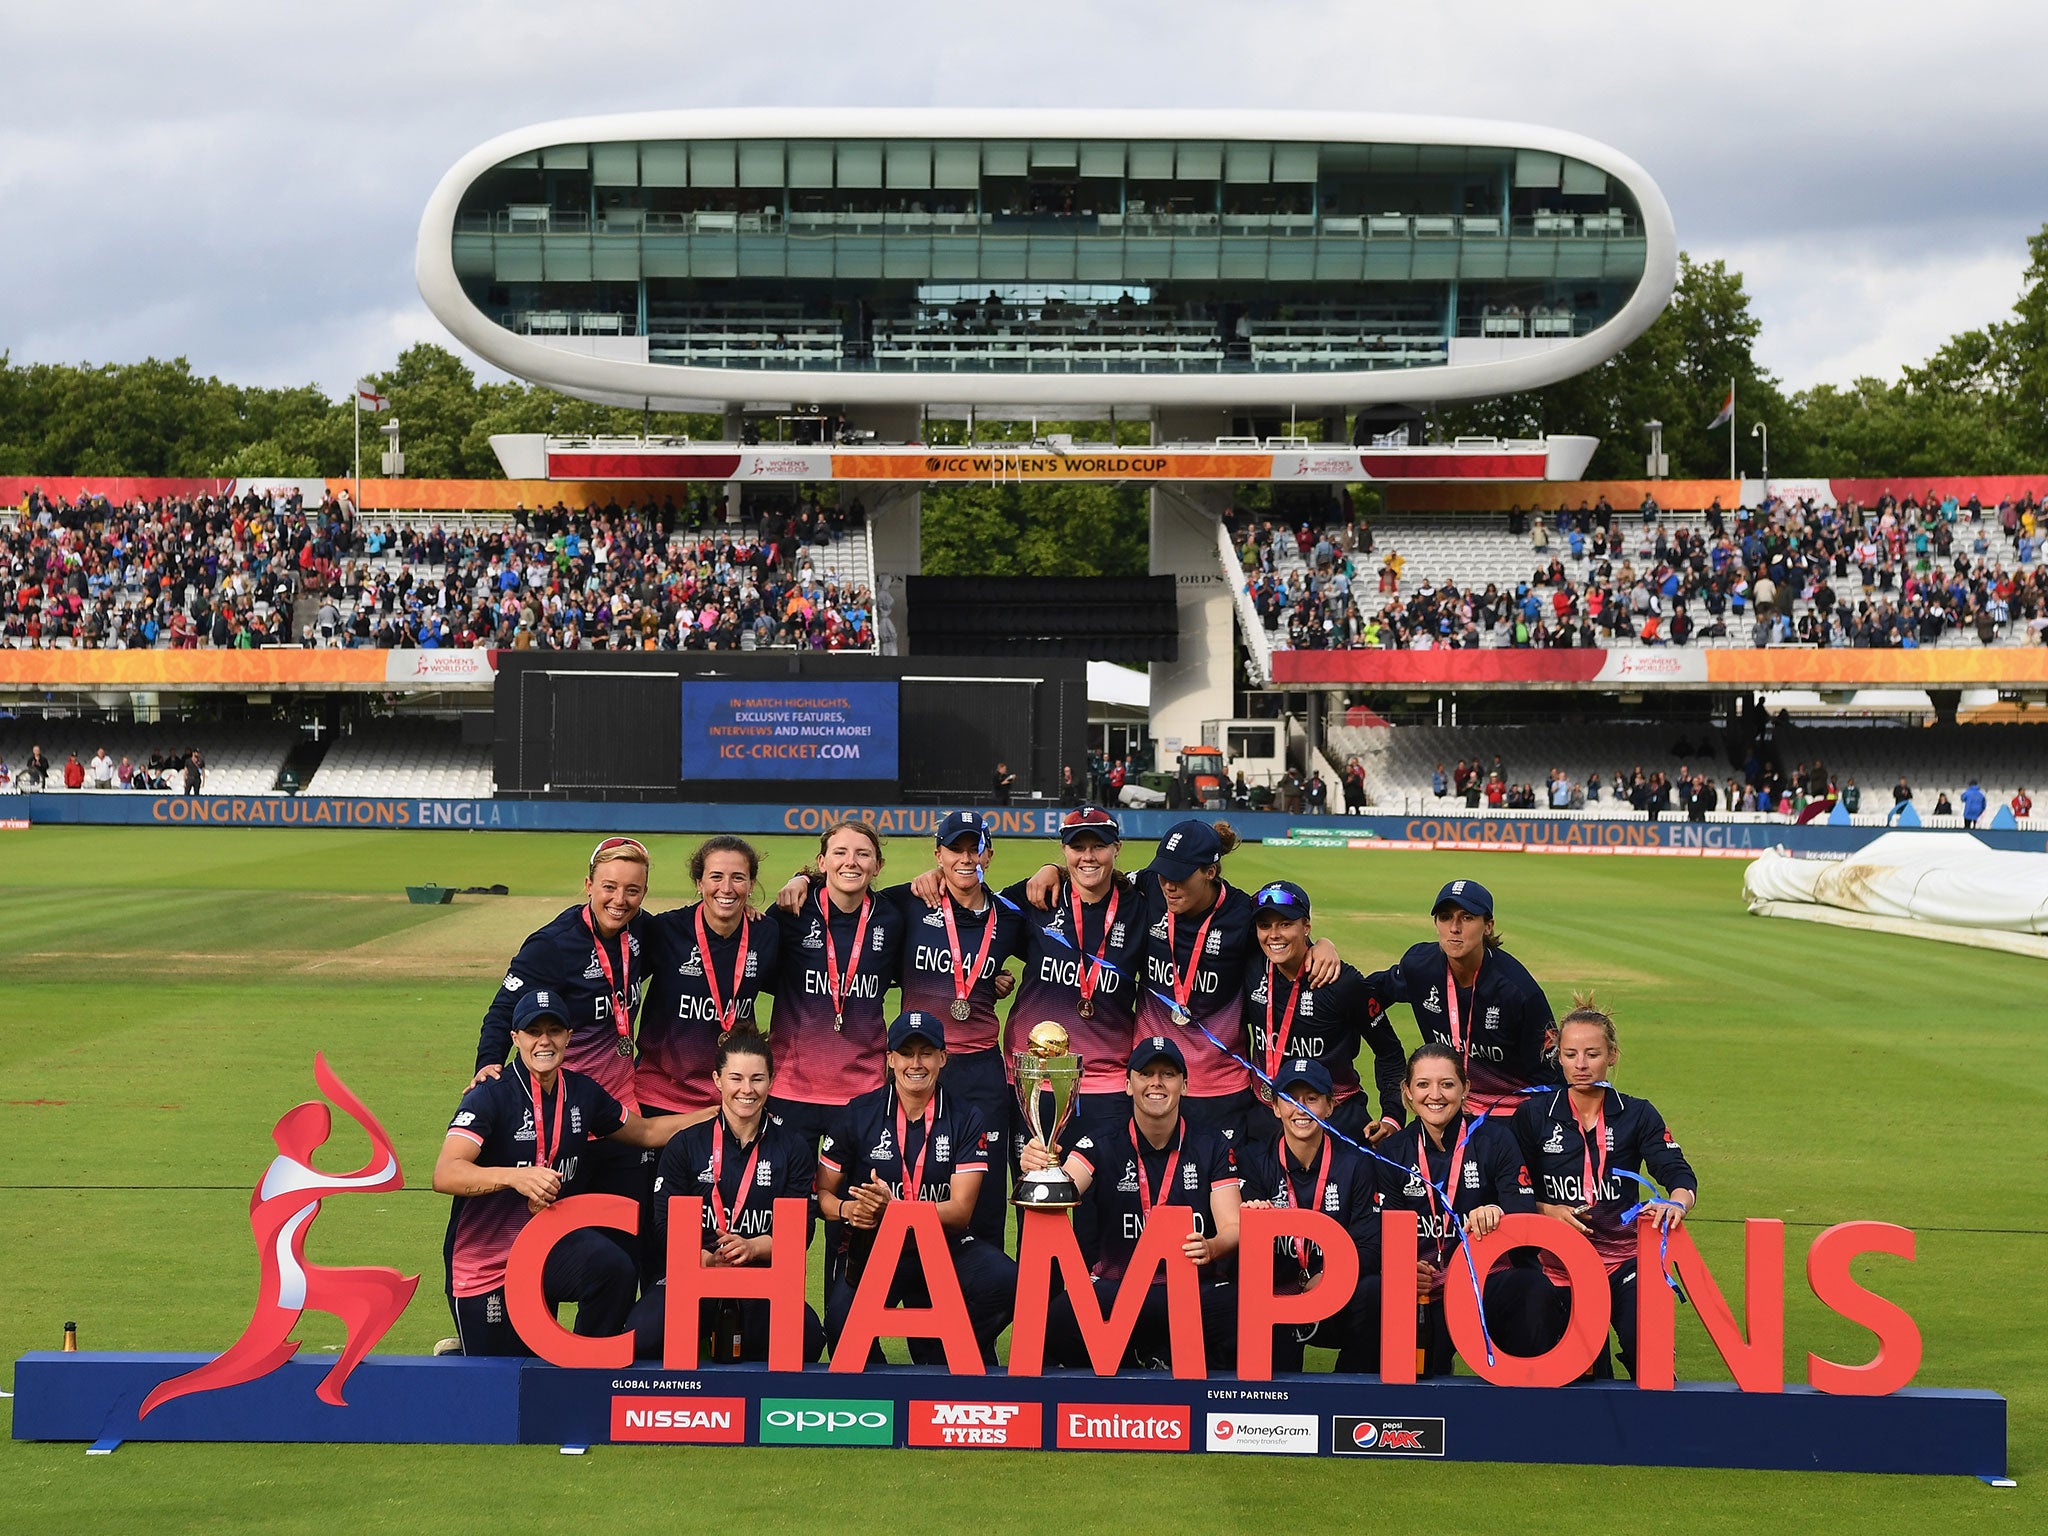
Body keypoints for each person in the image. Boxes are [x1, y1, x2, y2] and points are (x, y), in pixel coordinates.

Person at [1022, 819, 1343, 1147]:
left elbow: (1280, 940)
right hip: (1155, 1083)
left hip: (1221, 1090)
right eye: (1164, 874)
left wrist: (1321, 944)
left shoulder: (1240, 915)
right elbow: (1095, 875)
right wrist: (1053, 869)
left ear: (1210, 872)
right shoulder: (1149, 887)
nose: (1168, 886)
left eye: (1179, 877)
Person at [435, 988, 693, 1356]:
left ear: (569, 1037)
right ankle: (461, 1356)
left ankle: (582, 1365)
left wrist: (722, 1113)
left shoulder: (583, 1092)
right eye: (533, 1031)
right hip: (487, 1263)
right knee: (502, 1378)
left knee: (614, 1268)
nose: (544, 1041)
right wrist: (514, 1177)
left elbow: (648, 1133)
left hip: (546, 1249)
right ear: (515, 1039)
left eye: (554, 1031)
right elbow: (445, 1174)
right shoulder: (490, 1095)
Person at [864, 810, 1029, 1246]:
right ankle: (906, 1283)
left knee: (987, 1191)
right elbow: (851, 895)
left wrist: (995, 981)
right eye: (954, 849)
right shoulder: (909, 901)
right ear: (938, 854)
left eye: (975, 848)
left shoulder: (1009, 917)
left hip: (980, 1069)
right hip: (918, 1066)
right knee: (910, 1173)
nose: (965, 857)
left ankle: (982, 1287)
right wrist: (804, 880)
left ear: (989, 854)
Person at [1025, 1036, 1241, 1370]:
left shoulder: (1210, 1144)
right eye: (1146, 1073)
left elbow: (1233, 1226)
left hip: (1191, 1291)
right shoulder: (1099, 1142)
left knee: (1242, 1312)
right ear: (1128, 1085)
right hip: (1117, 1289)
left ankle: (1186, 1380)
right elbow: (1063, 1190)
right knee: (1055, 1322)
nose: (1156, 1083)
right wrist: (1041, 1170)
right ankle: (1128, 1370)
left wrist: (1212, 1247)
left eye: (1168, 1074)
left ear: (1184, 1085)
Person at [817, 1012, 1016, 1364]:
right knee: (841, 1323)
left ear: (943, 1057)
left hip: (944, 1246)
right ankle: (880, 1395)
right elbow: (821, 1195)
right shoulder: (859, 1114)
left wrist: (891, 1211)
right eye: (906, 1053)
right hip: (877, 1249)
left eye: (926, 1052)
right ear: (889, 1059)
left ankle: (940, 1354)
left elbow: (959, 1212)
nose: (916, 1063)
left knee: (1009, 1283)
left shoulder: (966, 1117)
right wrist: (850, 1210)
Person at [1513, 998, 1696, 1380]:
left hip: (1626, 1260)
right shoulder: (1533, 1115)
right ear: (1557, 1057)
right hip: (1559, 1268)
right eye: (1570, 1054)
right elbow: (1513, 1187)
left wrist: (1677, 1203)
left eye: (1592, 1054)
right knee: (1581, 1377)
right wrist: (1548, 1211)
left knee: (1651, 1358)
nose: (1581, 1065)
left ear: (1611, 1056)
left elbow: (1678, 1174)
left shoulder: (1637, 1113)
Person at [475, 838, 660, 1211]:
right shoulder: (552, 945)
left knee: (626, 1233)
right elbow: (502, 1011)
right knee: (563, 1240)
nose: (619, 900)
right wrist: (487, 1063)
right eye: (609, 887)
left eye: (632, 890)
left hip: (622, 1114)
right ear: (589, 884)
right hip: (565, 1116)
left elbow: (697, 930)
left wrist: (800, 881)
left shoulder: (641, 930)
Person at [630, 1028, 825, 1363]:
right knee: (641, 1336)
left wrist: (750, 1248)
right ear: (717, 1080)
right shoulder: (685, 1144)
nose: (746, 1090)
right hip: (695, 1272)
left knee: (806, 1338)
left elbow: (800, 1232)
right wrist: (705, 1259)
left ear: (771, 1081)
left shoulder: (792, 1148)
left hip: (760, 1279)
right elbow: (662, 1224)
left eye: (757, 1079)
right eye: (736, 1078)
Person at [1376, 1042, 1557, 1376]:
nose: (1435, 1095)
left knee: (1533, 1290)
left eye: (1447, 1084)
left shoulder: (1496, 1140)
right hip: (1426, 1287)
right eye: (1423, 1084)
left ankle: (1528, 1399)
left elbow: (1523, 1214)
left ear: (1466, 1089)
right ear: (1407, 1092)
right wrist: (1402, 1267)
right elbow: (1382, 1234)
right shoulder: (1393, 1151)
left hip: (1486, 1280)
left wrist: (1497, 1214)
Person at [765, 821, 910, 1151]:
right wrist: (800, 879)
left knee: (854, 1200)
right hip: (790, 1087)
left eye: (863, 854)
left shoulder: (891, 918)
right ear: (822, 862)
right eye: (840, 852)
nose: (851, 862)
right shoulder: (791, 911)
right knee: (789, 1199)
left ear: (877, 866)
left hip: (863, 1089)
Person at [1237, 1058, 1380, 1371]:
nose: (1300, 1109)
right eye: (1289, 1099)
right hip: (1277, 1298)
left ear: (1330, 1106)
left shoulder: (1356, 1164)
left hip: (1337, 1296)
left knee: (1376, 1293)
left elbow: (1371, 1245)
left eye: (1311, 1099)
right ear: (1275, 1107)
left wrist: (1330, 1278)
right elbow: (1240, 1251)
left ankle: (1348, 1393)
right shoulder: (1253, 1160)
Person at [1243, 880, 1405, 1146]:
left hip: (1337, 1121)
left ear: (1306, 926)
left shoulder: (1343, 982)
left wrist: (1392, 1116)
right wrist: (1323, 941)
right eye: (1265, 925)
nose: (1274, 935)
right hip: (1267, 1118)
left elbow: (1389, 1051)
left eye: (1285, 924)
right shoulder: (1250, 967)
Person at [1381, 880, 1558, 1117]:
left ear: (1488, 926)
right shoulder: (1419, 967)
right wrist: (1322, 947)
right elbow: (1362, 993)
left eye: (1467, 917)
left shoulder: (1518, 991)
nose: (1454, 927)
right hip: (1446, 1109)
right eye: (1445, 917)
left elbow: (1550, 1080)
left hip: (1509, 1114)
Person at [636, 836, 780, 1120]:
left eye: (738, 878)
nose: (726, 888)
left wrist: (801, 879)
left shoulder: (766, 933)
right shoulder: (665, 930)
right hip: (661, 1097)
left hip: (732, 1098)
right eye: (716, 877)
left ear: (751, 885)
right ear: (700, 883)